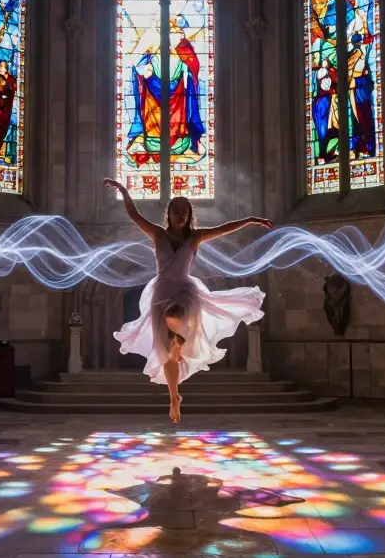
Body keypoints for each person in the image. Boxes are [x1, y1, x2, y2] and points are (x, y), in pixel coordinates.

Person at [104, 178, 271, 422]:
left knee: (174, 315)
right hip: (161, 291)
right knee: (167, 354)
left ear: (189, 215)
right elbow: (135, 215)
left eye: (184, 211)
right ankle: (174, 397)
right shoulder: (158, 234)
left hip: (185, 290)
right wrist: (123, 191)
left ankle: (181, 341)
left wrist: (250, 220)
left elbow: (224, 228)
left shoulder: (195, 237)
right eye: (176, 211)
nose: (180, 215)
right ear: (169, 214)